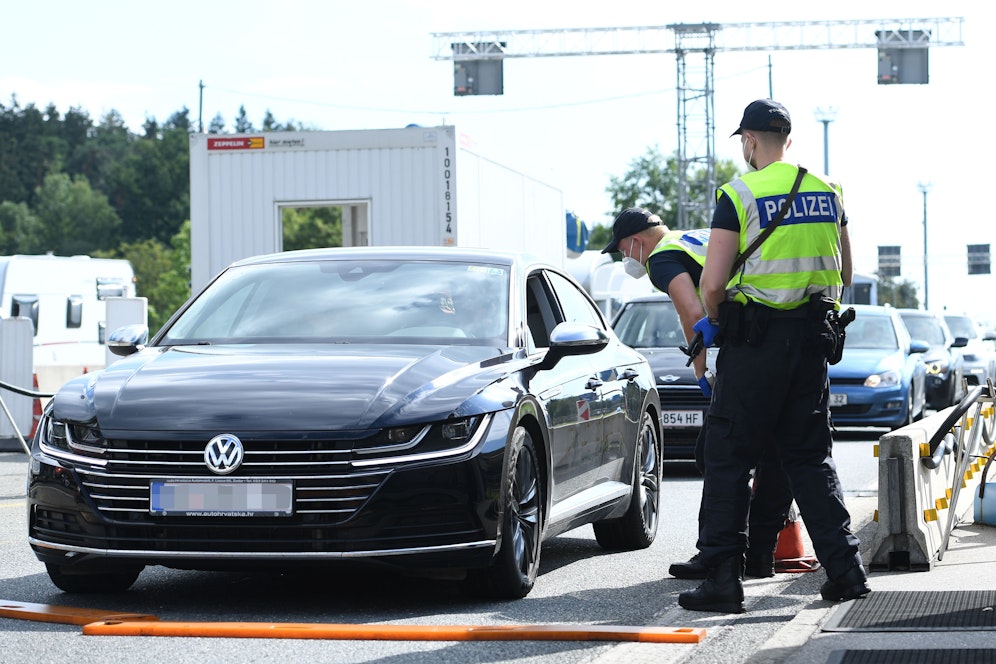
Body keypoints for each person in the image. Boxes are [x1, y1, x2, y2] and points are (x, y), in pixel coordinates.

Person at [678, 99, 868, 614]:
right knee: (809, 458)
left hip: (754, 346)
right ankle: (847, 571)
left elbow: (713, 282)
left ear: (750, 140)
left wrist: (715, 320)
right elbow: (847, 273)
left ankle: (721, 579)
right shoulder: (829, 191)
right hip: (810, 346)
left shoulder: (739, 193)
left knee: (729, 457)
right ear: (789, 138)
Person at [601, 206, 795, 581]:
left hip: (744, 352)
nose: (624, 257)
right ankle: (759, 555)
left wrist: (703, 366)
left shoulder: (661, 257)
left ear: (636, 241)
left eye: (622, 249)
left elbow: (691, 310)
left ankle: (717, 557)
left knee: (716, 456)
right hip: (781, 340)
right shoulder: (695, 239)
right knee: (777, 454)